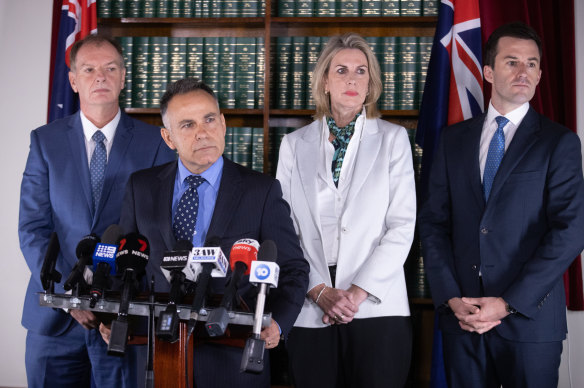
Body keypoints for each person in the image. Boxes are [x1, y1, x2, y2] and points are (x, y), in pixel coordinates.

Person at [112, 78, 309, 387]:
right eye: (188, 125)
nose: (203, 133)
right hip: (158, 354)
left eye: (209, 119)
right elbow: (127, 263)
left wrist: (278, 325)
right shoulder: (141, 187)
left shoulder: (262, 191)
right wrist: (112, 314)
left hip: (233, 357)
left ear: (224, 124)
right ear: (169, 138)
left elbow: (294, 269)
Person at [419, 22, 584, 388]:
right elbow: (433, 224)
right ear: (489, 71)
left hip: (530, 321)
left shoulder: (559, 143)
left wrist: (507, 303)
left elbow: (570, 232)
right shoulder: (453, 140)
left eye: (531, 63)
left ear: (540, 74)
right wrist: (450, 298)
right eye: (512, 62)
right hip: (463, 318)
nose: (523, 71)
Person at [18, 34, 176, 387]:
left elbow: (157, 230)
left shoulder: (156, 143)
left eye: (110, 68)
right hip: (54, 322)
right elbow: (33, 227)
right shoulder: (45, 141)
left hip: (123, 317)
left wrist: (112, 299)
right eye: (89, 69)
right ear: (74, 80)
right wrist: (69, 298)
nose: (100, 77)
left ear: (123, 77)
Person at [276, 33, 416, 387]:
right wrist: (318, 290)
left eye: (361, 71)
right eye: (341, 70)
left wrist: (355, 293)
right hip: (311, 307)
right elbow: (283, 228)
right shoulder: (293, 145)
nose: (352, 79)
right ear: (325, 81)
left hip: (376, 305)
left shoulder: (393, 139)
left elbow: (402, 225)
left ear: (370, 85)